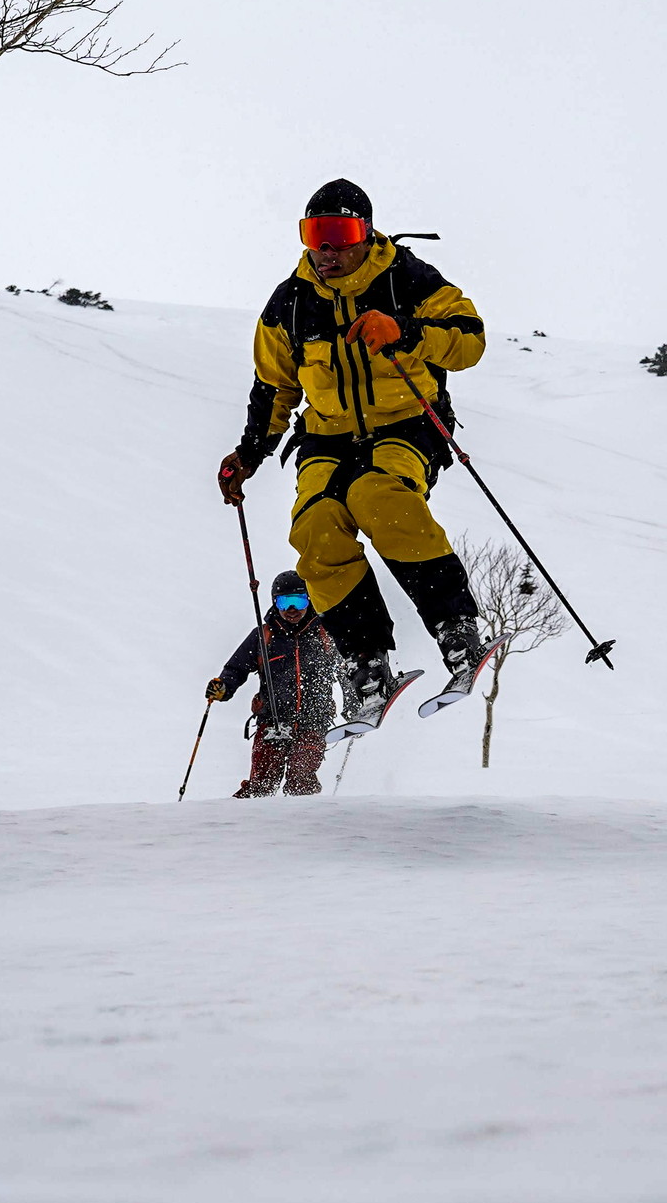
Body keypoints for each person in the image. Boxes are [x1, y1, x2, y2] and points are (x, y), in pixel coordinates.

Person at [218, 179, 487, 726]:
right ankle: (367, 663)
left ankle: (458, 632)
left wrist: (406, 330)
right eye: (316, 234)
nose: (328, 250)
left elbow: (469, 339)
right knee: (314, 528)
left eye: (340, 234)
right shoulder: (289, 304)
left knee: (379, 497)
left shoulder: (408, 279)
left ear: (366, 232)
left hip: (408, 423)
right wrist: (249, 454)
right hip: (327, 435)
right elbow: (273, 387)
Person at [206, 570, 349, 796]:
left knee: (301, 779)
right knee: (261, 782)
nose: (292, 610)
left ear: (309, 599)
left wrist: (353, 702)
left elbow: (345, 670)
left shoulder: (325, 633)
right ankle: (241, 821)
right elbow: (236, 668)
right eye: (284, 602)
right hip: (272, 720)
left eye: (298, 600)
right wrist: (223, 687)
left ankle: (305, 823)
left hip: (313, 721)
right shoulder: (263, 636)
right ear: (275, 603)